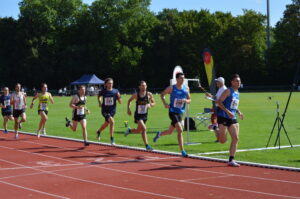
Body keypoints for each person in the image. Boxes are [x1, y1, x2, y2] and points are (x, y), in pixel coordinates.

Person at [153, 72, 191, 157]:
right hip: (172, 111)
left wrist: (185, 100)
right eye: (181, 78)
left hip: (180, 112)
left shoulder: (186, 88)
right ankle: (182, 151)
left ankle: (159, 134)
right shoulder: (171, 88)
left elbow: (189, 100)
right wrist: (165, 103)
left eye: (183, 78)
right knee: (180, 130)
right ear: (177, 79)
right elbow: (162, 95)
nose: (183, 79)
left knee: (170, 132)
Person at [217, 74, 244, 167]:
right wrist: (227, 111)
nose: (238, 82)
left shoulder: (237, 93)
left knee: (236, 138)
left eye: (239, 81)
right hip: (223, 116)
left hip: (232, 117)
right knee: (222, 141)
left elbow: (234, 106)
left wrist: (239, 112)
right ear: (232, 82)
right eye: (236, 81)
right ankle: (216, 129)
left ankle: (231, 160)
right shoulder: (228, 91)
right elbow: (219, 102)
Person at [125, 81, 155, 150]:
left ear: (146, 86)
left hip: (145, 115)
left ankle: (129, 131)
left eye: (145, 85)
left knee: (138, 131)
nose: (144, 87)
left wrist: (150, 104)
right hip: (138, 115)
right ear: (139, 87)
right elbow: (129, 100)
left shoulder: (149, 94)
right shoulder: (136, 95)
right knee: (144, 128)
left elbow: (154, 103)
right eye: (142, 85)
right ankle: (147, 145)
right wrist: (128, 109)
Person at [96, 78, 122, 145]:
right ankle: (112, 138)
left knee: (107, 123)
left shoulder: (115, 91)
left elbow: (120, 102)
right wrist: (99, 102)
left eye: (112, 83)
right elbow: (99, 96)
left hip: (112, 111)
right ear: (106, 84)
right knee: (112, 122)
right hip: (105, 110)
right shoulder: (103, 91)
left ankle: (98, 132)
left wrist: (119, 98)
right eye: (109, 83)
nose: (111, 84)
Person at [205, 77, 227, 141]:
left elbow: (218, 100)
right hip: (218, 108)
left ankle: (220, 138)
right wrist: (210, 96)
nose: (216, 83)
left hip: (220, 108)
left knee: (219, 124)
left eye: (217, 82)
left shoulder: (223, 89)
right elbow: (216, 97)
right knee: (218, 123)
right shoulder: (221, 88)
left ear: (220, 82)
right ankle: (220, 138)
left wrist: (211, 97)